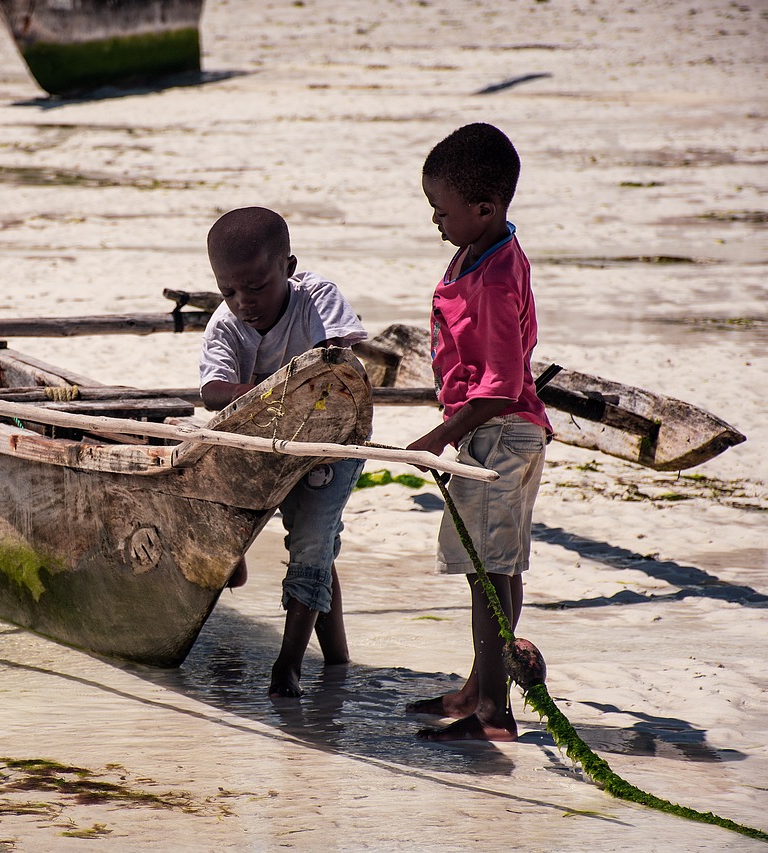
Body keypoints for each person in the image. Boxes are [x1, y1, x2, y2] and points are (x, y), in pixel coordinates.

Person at [404, 123, 551, 741]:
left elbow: (501, 385)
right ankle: (477, 687)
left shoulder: (492, 279)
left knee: (487, 572)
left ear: (485, 208)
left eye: (442, 210)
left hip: (499, 434)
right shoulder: (485, 249)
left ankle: (493, 712)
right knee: (498, 565)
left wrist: (441, 436)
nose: (436, 221)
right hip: (505, 433)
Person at [199, 206, 369, 698]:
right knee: (312, 545)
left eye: (255, 287)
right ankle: (336, 661)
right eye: (228, 291)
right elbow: (212, 392)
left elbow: (337, 360)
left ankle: (287, 668)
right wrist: (281, 391)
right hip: (263, 444)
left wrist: (280, 392)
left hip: (330, 443)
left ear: (288, 269)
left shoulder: (317, 298)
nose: (243, 302)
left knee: (313, 544)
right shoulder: (226, 325)